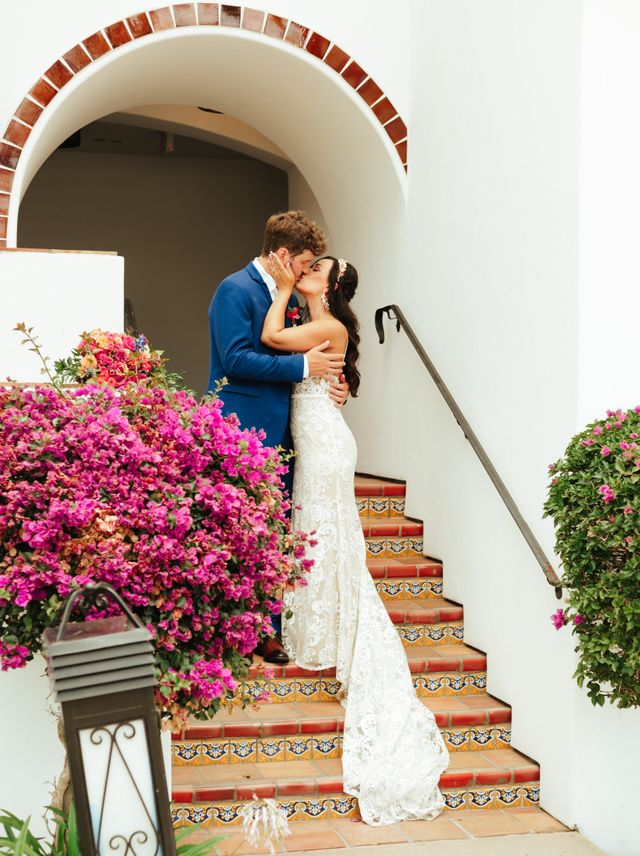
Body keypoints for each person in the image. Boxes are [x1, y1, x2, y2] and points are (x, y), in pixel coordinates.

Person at [261, 253, 449, 826]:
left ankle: (333, 633)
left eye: (316, 269)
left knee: (323, 532)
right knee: (317, 533)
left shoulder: (327, 324)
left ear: (331, 285)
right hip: (318, 438)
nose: (306, 271)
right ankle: (318, 628)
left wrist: (282, 288)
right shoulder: (318, 322)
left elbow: (271, 338)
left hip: (325, 445)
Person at [207, 211, 349, 664]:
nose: (306, 272)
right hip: (239, 428)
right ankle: (225, 628)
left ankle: (266, 631)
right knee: (234, 531)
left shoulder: (287, 299)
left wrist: (337, 385)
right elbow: (235, 359)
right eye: (305, 263)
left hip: (286, 433)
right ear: (284, 255)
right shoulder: (234, 289)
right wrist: (304, 366)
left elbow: (324, 345)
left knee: (272, 532)